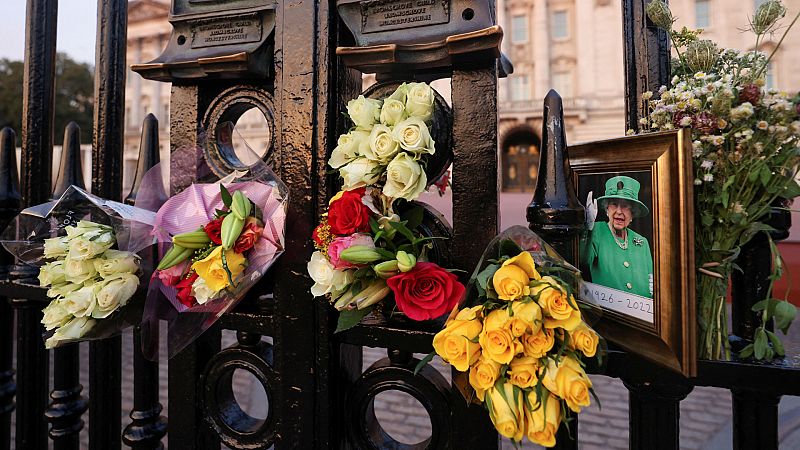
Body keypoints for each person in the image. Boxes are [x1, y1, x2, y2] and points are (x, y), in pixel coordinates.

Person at [582, 175, 653, 298]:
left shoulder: (642, 242)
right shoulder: (596, 230)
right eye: (614, 204)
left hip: (640, 313)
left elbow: (651, 282)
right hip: (610, 312)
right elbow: (583, 262)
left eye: (625, 206)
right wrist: (587, 229)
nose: (619, 211)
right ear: (607, 209)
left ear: (632, 213)